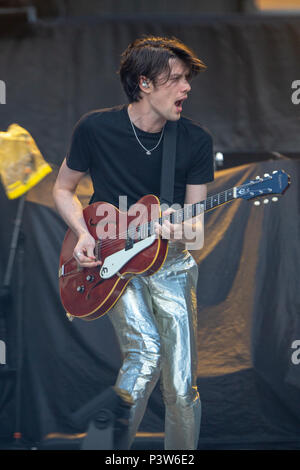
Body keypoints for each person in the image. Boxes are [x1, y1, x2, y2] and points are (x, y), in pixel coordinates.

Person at [53, 36, 214, 450]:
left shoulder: (195, 141)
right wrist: (84, 235)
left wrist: (183, 231)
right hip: (114, 258)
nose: (187, 88)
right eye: (176, 79)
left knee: (180, 385)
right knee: (144, 356)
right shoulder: (95, 128)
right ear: (144, 83)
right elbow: (63, 189)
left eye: (187, 79)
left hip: (170, 264)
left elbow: (196, 228)